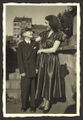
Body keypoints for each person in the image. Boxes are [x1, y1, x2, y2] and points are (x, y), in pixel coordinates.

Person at [35, 15, 66, 113]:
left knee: (48, 81)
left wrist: (42, 50)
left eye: (46, 22)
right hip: (42, 60)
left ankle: (48, 103)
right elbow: (34, 41)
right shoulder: (43, 33)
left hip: (51, 61)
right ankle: (44, 101)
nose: (44, 24)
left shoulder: (59, 34)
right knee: (42, 80)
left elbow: (54, 49)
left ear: (51, 23)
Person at [17, 28, 38, 112]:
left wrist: (37, 68)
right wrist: (22, 71)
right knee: (24, 89)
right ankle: (24, 105)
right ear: (24, 34)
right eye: (29, 32)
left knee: (33, 89)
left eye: (31, 32)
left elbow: (37, 57)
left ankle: (33, 106)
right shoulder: (20, 45)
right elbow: (19, 59)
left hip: (33, 69)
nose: (31, 33)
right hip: (25, 70)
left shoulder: (35, 43)